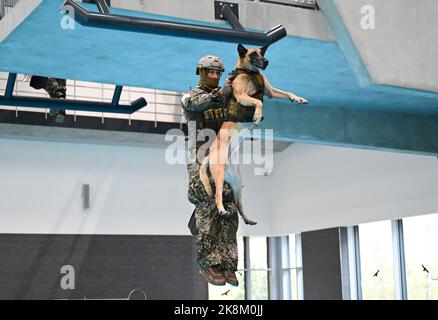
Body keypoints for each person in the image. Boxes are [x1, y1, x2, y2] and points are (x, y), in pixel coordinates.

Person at [181, 55, 240, 286]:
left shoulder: (226, 98)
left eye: (218, 73)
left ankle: (228, 263)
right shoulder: (190, 96)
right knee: (207, 201)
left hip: (223, 157)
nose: (215, 76)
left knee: (229, 207)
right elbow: (197, 104)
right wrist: (222, 94)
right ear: (200, 72)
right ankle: (208, 263)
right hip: (201, 157)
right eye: (210, 72)